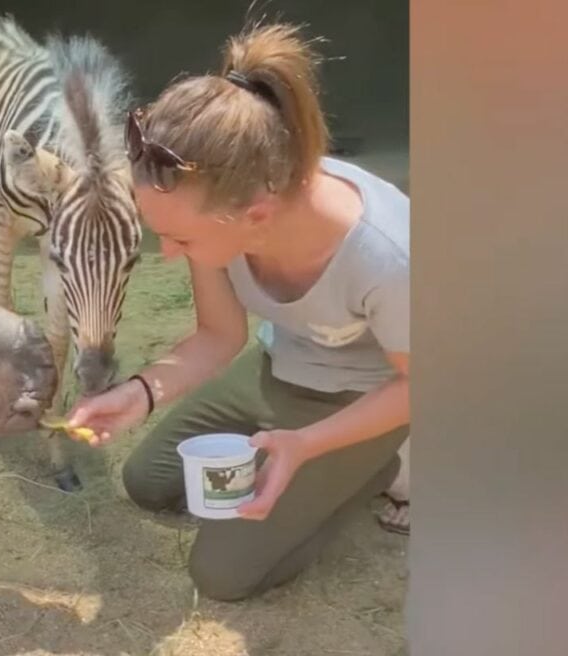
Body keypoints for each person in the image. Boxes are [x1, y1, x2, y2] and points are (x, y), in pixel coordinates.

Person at [66, 22, 410, 602]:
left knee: (222, 576)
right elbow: (217, 336)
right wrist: (139, 393)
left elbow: (423, 382)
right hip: (280, 367)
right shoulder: (221, 209)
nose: (169, 254)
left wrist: (308, 445)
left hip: (369, 397)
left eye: (181, 240)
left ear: (255, 216)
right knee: (148, 482)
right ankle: (302, 455)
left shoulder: (387, 257)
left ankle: (382, 468)